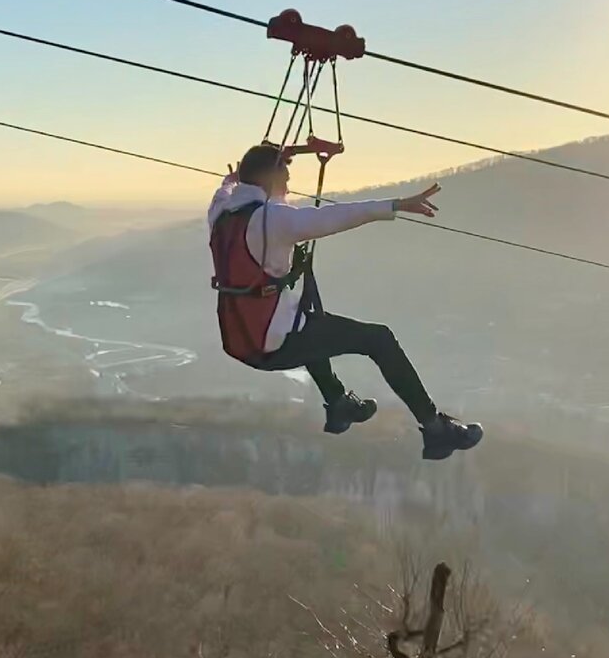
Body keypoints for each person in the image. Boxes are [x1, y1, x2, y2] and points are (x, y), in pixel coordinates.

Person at [207, 141, 483, 460]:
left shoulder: (221, 211)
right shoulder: (272, 220)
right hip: (273, 344)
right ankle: (435, 429)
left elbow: (228, 186)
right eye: (284, 173)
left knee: (309, 322)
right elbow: (335, 217)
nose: (288, 183)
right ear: (269, 176)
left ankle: (338, 402)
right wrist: (395, 205)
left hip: (239, 339)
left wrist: (284, 155)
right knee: (379, 340)